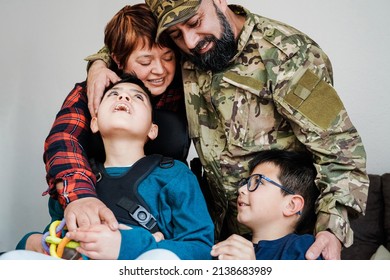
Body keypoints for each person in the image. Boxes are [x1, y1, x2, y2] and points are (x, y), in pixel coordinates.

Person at [85, 0, 370, 260]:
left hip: (284, 243)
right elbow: (135, 41)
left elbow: (339, 148)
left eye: (195, 22)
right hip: (220, 238)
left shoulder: (288, 55)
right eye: (176, 34)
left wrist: (331, 228)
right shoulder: (185, 49)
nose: (191, 41)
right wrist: (100, 62)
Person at [16, 75, 214, 260]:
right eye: (113, 94)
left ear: (152, 130)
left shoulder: (174, 175)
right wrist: (32, 242)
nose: (124, 96)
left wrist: (126, 245)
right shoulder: (76, 184)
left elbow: (202, 248)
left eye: (138, 97)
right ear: (94, 123)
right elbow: (54, 234)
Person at [42, 4, 191, 235]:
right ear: (118, 61)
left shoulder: (185, 86)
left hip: (157, 209)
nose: (160, 70)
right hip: (94, 193)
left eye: (168, 58)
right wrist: (82, 198)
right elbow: (64, 139)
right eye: (145, 62)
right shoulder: (95, 92)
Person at [210, 149, 323, 260]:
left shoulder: (306, 250)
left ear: (291, 205)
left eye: (258, 182)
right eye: (246, 182)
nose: (242, 189)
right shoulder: (230, 247)